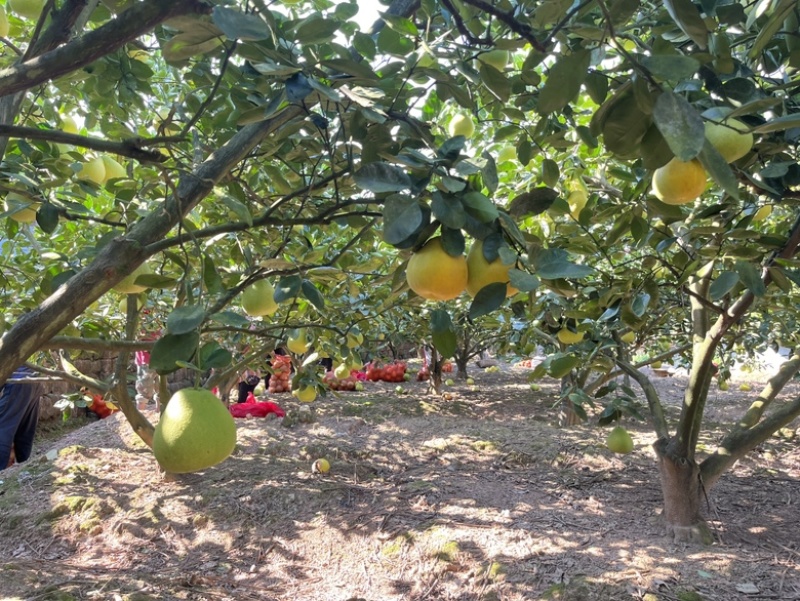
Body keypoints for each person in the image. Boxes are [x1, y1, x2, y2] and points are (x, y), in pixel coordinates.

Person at [0, 365, 45, 470]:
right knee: (25, 425)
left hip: (18, 379)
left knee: (3, 425)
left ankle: (2, 468)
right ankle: (22, 464)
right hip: (34, 377)